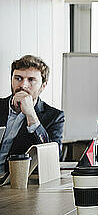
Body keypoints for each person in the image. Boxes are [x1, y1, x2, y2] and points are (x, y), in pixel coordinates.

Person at [0, 55, 65, 184]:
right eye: (18, 78)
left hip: (18, 184)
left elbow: (51, 158)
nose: (23, 85)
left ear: (43, 85)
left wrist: (31, 115)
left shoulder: (54, 116)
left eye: (31, 80)